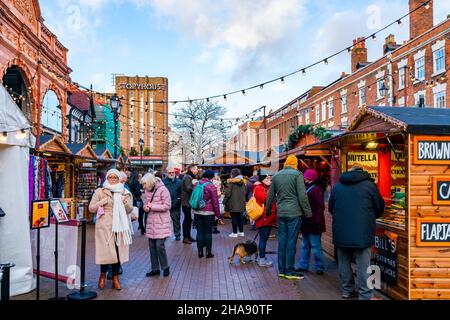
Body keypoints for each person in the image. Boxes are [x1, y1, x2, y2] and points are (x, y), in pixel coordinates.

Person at [328, 165, 385, 300]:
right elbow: (379, 207)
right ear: (363, 172)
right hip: (362, 231)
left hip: (341, 232)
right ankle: (365, 295)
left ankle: (347, 290)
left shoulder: (337, 186)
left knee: (344, 262)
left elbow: (331, 208)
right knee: (363, 264)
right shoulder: (369, 185)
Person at [266, 155, 312, 280]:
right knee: (291, 241)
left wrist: (268, 210)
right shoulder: (297, 175)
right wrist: (308, 212)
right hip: (294, 213)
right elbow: (302, 196)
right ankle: (289, 270)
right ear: (295, 164)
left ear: (286, 163)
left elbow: (270, 195)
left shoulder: (276, 175)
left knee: (282, 241)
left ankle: (281, 270)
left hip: (281, 213)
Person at [88, 169, 134, 290]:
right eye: (110, 177)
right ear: (107, 178)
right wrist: (100, 203)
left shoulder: (125, 192)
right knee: (105, 252)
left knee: (117, 252)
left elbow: (130, 210)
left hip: (119, 226)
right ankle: (102, 275)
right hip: (104, 226)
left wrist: (125, 203)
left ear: (119, 179)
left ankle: (115, 278)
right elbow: (91, 208)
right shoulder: (100, 191)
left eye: (115, 178)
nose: (113, 180)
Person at [296, 169, 326, 275]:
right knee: (307, 245)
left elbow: (320, 206)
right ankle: (304, 265)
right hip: (307, 222)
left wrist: (317, 221)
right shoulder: (310, 188)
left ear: (308, 178)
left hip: (313, 223)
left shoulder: (316, 189)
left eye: (305, 177)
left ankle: (319, 267)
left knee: (314, 246)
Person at [142, 173, 172, 277]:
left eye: (145, 184)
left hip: (161, 221)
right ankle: (155, 268)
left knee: (160, 245)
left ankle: (165, 266)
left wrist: (153, 206)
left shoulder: (163, 190)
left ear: (150, 182)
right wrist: (146, 207)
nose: (143, 187)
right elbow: (145, 203)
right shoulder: (146, 191)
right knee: (151, 246)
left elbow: (167, 206)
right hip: (151, 221)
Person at [192, 170, 221, 258]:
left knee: (199, 231)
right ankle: (208, 253)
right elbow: (215, 202)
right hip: (209, 212)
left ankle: (200, 252)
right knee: (208, 232)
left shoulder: (196, 184)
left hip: (197, 211)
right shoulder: (211, 186)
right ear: (211, 177)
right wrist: (218, 215)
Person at [253, 175, 277, 267]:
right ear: (261, 180)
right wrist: (273, 194)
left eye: (270, 178)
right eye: (266, 178)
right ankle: (262, 259)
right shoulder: (259, 188)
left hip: (268, 218)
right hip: (264, 218)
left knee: (265, 239)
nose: (269, 180)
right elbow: (265, 199)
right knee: (263, 239)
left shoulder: (267, 188)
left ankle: (262, 258)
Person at [223, 168, 246, 238]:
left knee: (234, 218)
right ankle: (241, 232)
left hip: (233, 203)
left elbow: (227, 194)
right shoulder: (243, 182)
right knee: (240, 217)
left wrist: (224, 201)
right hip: (241, 203)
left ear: (232, 174)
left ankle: (234, 233)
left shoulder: (230, 182)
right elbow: (245, 192)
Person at [181, 164, 199, 244]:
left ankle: (188, 236)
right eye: (196, 169)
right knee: (187, 219)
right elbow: (188, 189)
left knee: (188, 220)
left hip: (187, 201)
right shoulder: (188, 177)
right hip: (186, 202)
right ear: (192, 169)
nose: (197, 170)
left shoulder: (189, 177)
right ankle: (185, 238)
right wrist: (196, 188)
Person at [163, 168, 183, 241]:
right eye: (170, 172)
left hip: (175, 205)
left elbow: (182, 193)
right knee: (164, 222)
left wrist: (178, 200)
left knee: (176, 221)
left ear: (175, 173)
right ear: (167, 173)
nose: (171, 174)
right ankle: (164, 235)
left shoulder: (179, 182)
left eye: (173, 172)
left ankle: (177, 235)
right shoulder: (163, 182)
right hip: (165, 205)